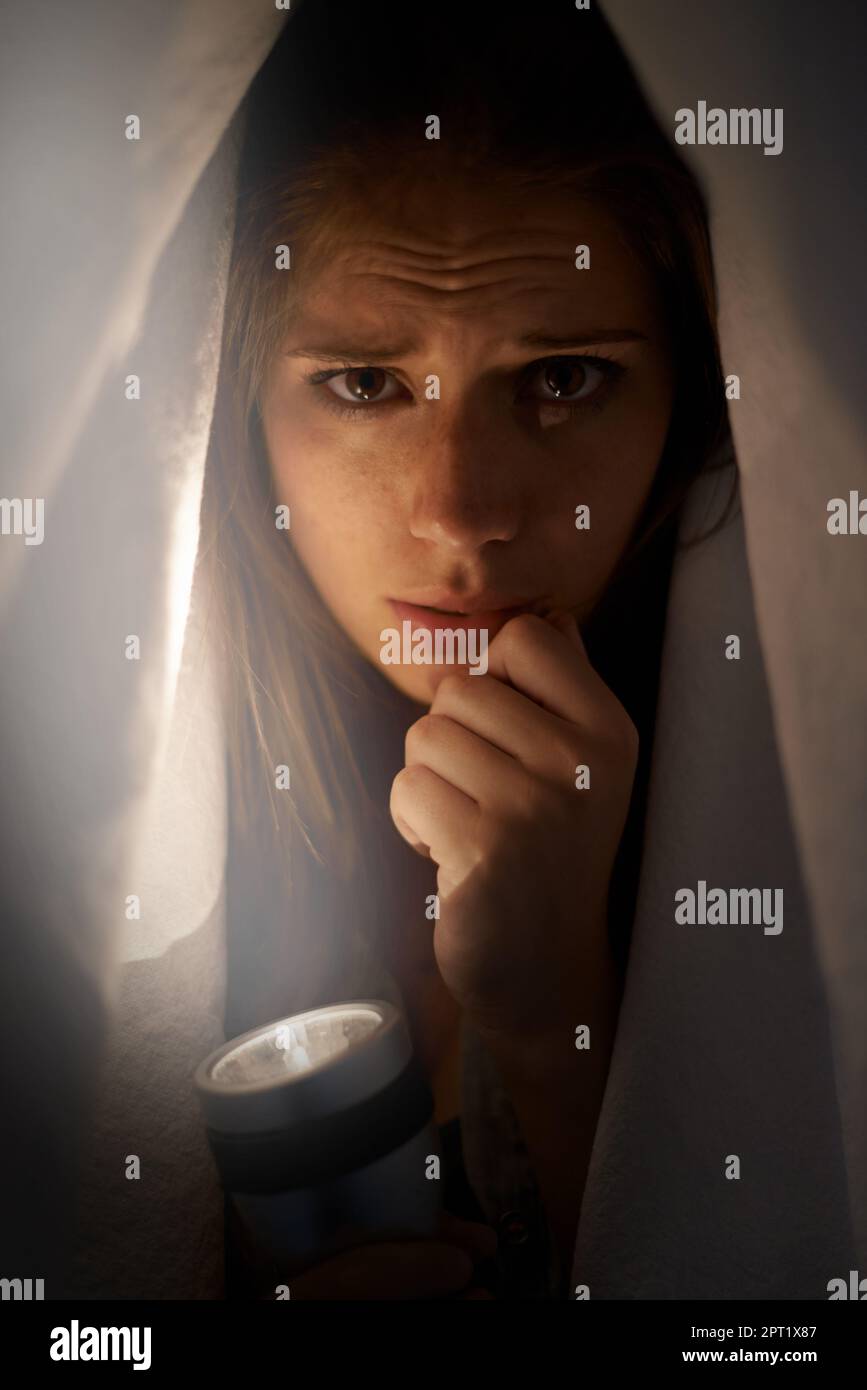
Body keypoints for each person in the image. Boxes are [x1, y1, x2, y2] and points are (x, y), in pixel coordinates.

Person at [199, 0, 736, 1299]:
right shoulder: (121, 831)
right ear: (238, 412)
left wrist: (561, 1015)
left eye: (559, 380)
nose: (461, 513)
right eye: (365, 385)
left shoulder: (784, 828)